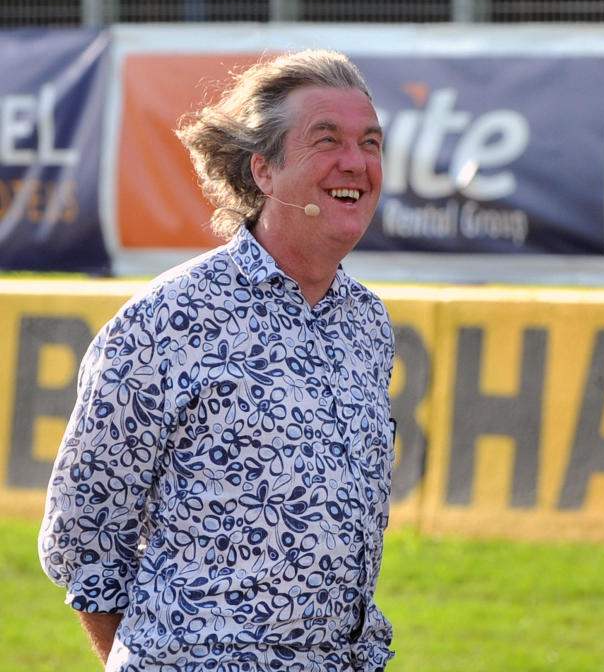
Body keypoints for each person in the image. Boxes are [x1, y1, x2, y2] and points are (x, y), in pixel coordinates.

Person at [39, 49, 397, 671]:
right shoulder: (163, 322)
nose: (357, 163)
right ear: (263, 170)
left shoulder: (367, 324)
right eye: (326, 140)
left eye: (370, 142)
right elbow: (83, 539)